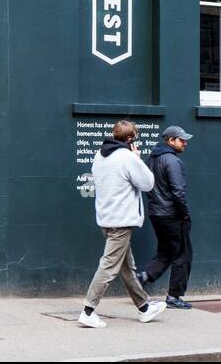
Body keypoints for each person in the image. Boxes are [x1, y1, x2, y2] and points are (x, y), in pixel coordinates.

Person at [79, 120, 167, 328]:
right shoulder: (127, 157)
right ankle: (88, 310)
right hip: (121, 220)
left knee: (127, 266)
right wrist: (137, 159)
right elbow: (148, 183)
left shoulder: (100, 155)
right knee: (109, 266)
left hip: (106, 218)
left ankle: (144, 307)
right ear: (130, 139)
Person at [138, 125, 194, 309]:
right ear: (170, 140)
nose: (185, 143)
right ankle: (174, 297)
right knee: (182, 255)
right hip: (172, 215)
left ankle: (144, 277)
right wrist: (184, 214)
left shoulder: (151, 159)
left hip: (156, 213)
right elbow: (178, 191)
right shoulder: (172, 161)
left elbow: (146, 186)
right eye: (181, 139)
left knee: (166, 251)